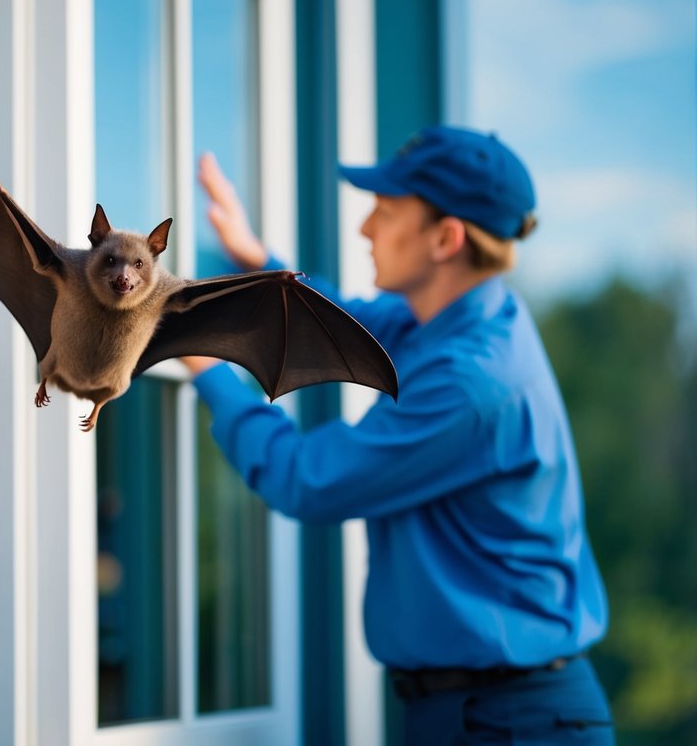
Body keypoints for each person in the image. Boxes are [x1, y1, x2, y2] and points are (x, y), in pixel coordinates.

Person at [186, 127, 614, 743]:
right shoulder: (457, 318)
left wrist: (208, 367)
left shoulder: (471, 382)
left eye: (385, 213)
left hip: (512, 722)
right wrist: (261, 263)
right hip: (474, 709)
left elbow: (308, 480)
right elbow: (343, 323)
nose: (365, 230)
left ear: (446, 238)